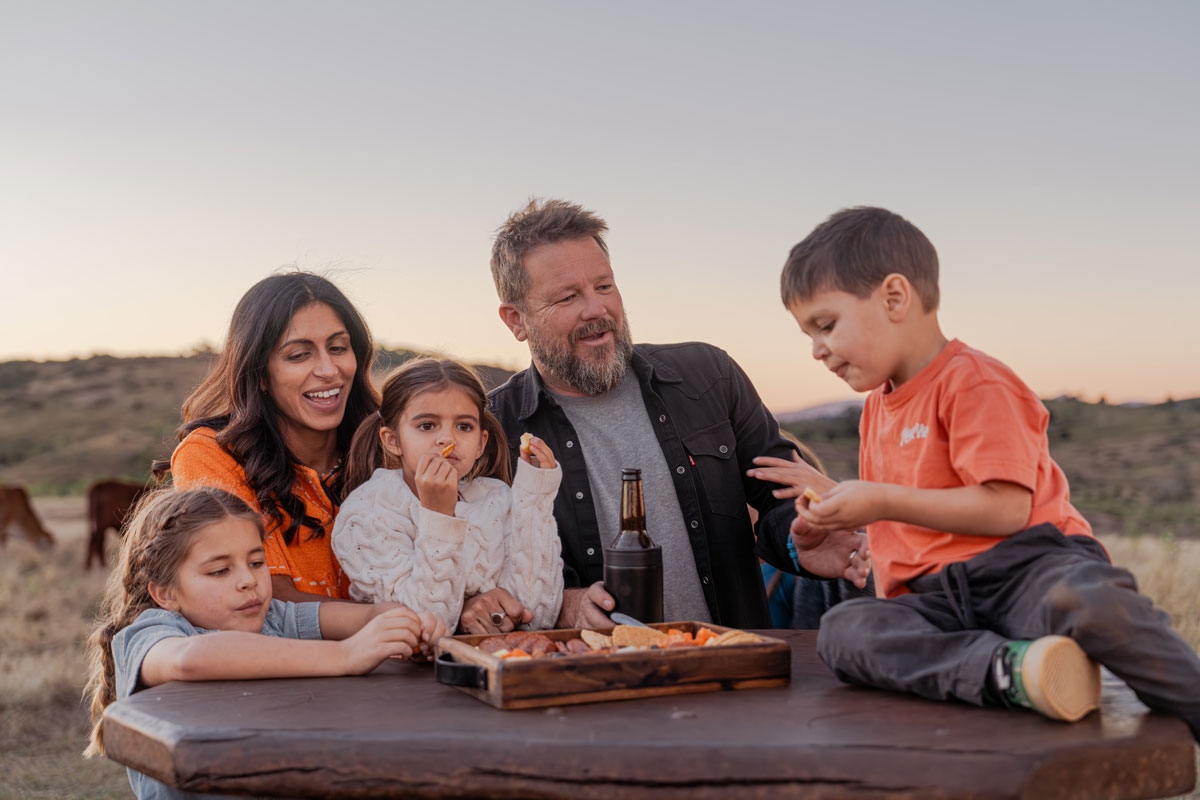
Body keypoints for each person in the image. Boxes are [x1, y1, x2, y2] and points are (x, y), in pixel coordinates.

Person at [768, 205, 1200, 738]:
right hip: (938, 601)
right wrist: (843, 529)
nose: (817, 351)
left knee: (1089, 600)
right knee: (845, 633)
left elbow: (1005, 507)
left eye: (826, 325)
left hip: (1028, 570)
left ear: (895, 298)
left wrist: (878, 501)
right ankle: (1018, 670)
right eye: (809, 334)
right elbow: (902, 535)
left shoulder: (973, 381)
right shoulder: (877, 410)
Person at [483, 198, 870, 632]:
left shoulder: (709, 375)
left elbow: (779, 496)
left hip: (730, 670)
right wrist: (565, 606)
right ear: (516, 320)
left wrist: (802, 542)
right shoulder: (490, 428)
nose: (597, 309)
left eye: (604, 286)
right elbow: (479, 567)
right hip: (589, 686)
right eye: (569, 297)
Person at [82, 487, 447, 800]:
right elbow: (189, 659)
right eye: (220, 571)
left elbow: (367, 617)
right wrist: (344, 655)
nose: (248, 581)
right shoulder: (152, 632)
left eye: (256, 563)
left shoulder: (272, 617)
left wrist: (409, 624)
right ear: (165, 593)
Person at [152, 272, 379, 602]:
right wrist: (398, 621)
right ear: (259, 374)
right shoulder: (211, 455)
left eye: (338, 347)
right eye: (299, 355)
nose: (329, 370)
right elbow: (268, 599)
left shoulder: (389, 444)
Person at [331, 358, 564, 634]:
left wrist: (533, 498)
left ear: (481, 443)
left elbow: (537, 617)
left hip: (492, 664)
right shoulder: (366, 513)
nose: (447, 439)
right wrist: (438, 517)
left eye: (464, 426)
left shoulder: (496, 500)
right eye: (427, 426)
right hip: (400, 674)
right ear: (393, 440)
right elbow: (425, 626)